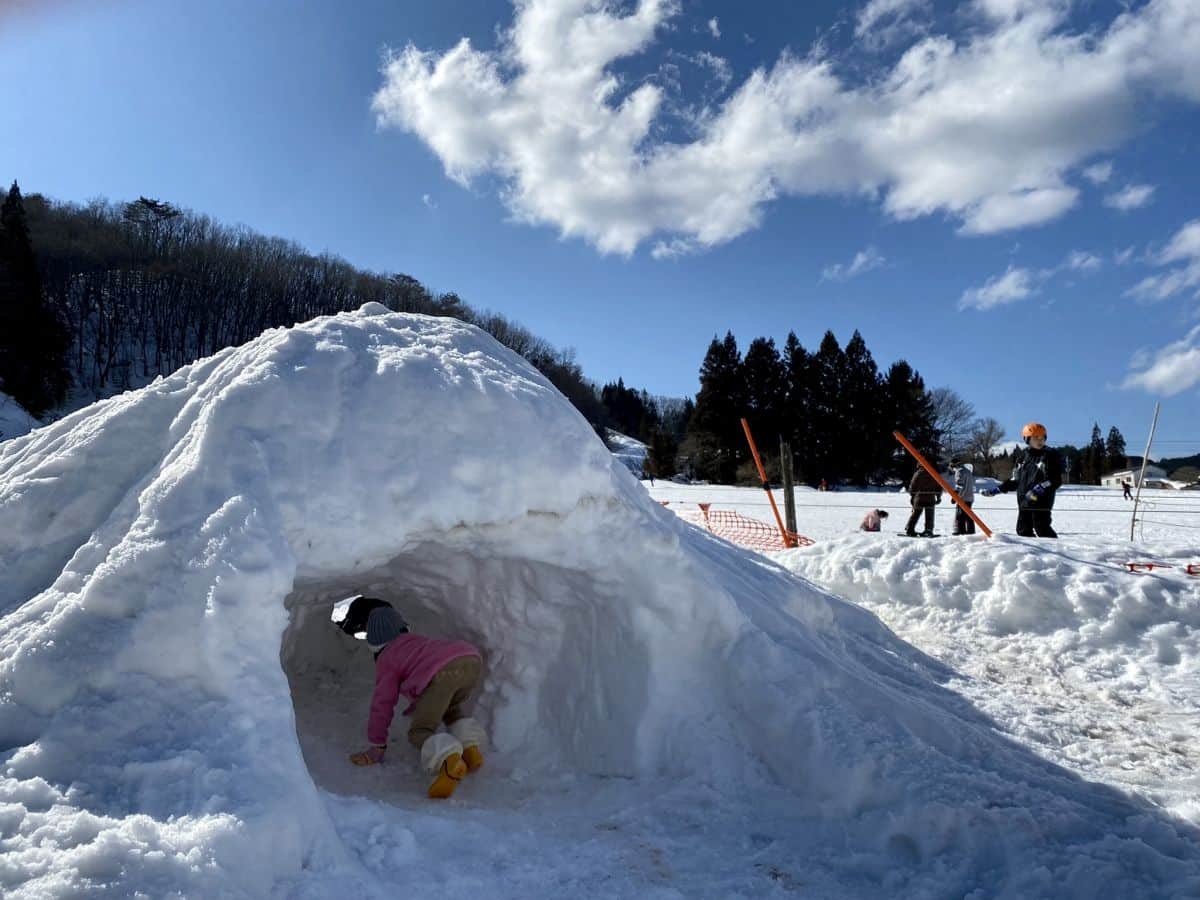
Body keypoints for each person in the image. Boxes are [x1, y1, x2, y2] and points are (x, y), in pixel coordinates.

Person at [340, 596, 488, 799]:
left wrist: (377, 744)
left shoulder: (387, 659)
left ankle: (449, 759)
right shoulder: (415, 642)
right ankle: (471, 748)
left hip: (442, 674)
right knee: (450, 709)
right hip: (470, 658)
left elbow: (382, 704)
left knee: (420, 730)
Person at [981, 422, 1062, 538]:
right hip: (1024, 501)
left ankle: (1056, 553)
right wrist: (997, 490)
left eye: (1042, 437)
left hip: (1041, 501)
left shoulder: (1050, 455)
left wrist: (1040, 488)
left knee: (1042, 528)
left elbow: (1056, 480)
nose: (1040, 440)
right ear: (1027, 439)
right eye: (1035, 438)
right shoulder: (1023, 457)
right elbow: (1016, 480)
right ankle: (1031, 554)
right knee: (1023, 530)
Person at [904, 466, 941, 536]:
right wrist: (938, 497)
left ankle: (910, 528)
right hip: (930, 497)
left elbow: (912, 485)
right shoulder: (933, 473)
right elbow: (938, 486)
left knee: (915, 514)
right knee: (929, 515)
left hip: (919, 497)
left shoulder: (918, 473)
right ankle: (928, 530)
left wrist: (912, 496)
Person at [951, 462, 976, 535]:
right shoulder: (968, 471)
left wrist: (955, 496)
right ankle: (971, 531)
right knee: (968, 515)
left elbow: (959, 485)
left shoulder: (960, 471)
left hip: (963, 497)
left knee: (960, 516)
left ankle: (961, 532)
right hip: (970, 497)